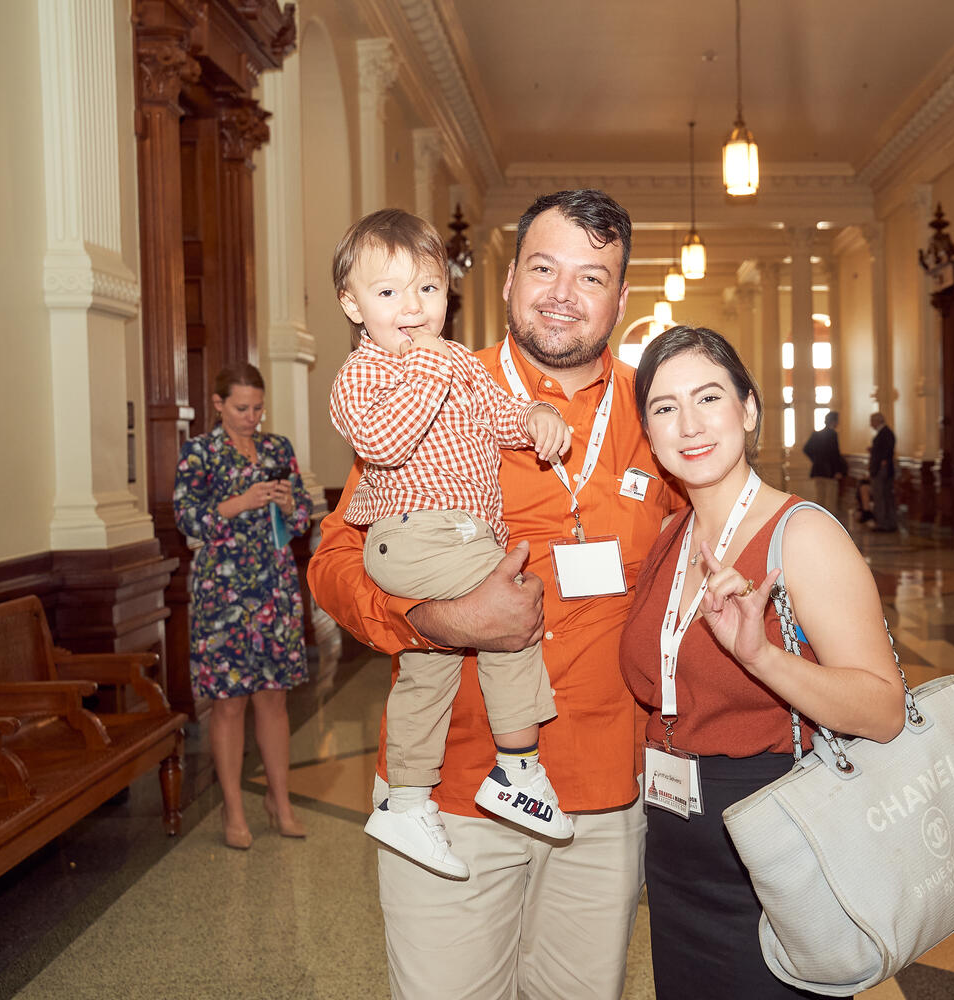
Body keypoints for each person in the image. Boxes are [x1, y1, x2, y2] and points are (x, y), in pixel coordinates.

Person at [308, 190, 684, 1000]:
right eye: (544, 268)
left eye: (592, 277)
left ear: (621, 299)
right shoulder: (425, 377)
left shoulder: (657, 412)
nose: (562, 292)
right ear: (510, 280)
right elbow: (336, 558)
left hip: (600, 797)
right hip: (450, 791)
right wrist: (432, 621)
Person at [619, 326, 905, 999]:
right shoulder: (668, 538)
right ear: (649, 434)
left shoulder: (800, 535)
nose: (688, 423)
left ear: (748, 409)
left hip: (776, 855)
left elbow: (884, 710)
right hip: (675, 851)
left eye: (708, 397)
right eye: (664, 408)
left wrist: (760, 657)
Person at [328, 209, 576, 877]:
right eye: (388, 293)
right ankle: (519, 768)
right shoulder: (366, 373)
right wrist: (433, 367)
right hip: (415, 533)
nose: (412, 308)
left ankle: (406, 801)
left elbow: (503, 418)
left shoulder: (460, 362)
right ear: (353, 305)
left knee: (428, 670)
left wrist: (540, 415)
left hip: (452, 536)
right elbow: (384, 441)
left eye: (428, 289)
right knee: (513, 614)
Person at [173, 363, 312, 850]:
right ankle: (234, 811)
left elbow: (301, 520)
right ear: (217, 404)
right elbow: (187, 518)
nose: (252, 416)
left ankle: (282, 800)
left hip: (273, 585)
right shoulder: (200, 452)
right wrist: (242, 501)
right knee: (228, 704)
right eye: (241, 408)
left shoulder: (278, 449)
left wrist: (290, 504)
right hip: (222, 591)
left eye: (257, 407)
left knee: (273, 697)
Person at [801, 410, 846, 519]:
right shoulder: (833, 434)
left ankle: (820, 521)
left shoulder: (816, 434)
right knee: (830, 500)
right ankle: (830, 524)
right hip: (830, 471)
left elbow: (806, 449)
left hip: (818, 470)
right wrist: (838, 471)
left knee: (820, 498)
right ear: (834, 421)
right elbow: (835, 454)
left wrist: (815, 460)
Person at [868, 412, 898, 532]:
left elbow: (886, 452)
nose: (870, 424)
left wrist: (881, 464)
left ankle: (882, 523)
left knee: (880, 496)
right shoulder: (884, 433)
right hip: (883, 470)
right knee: (885, 496)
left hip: (882, 471)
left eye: (872, 421)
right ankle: (888, 522)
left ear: (877, 421)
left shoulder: (885, 433)